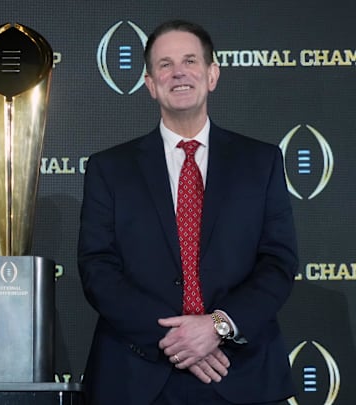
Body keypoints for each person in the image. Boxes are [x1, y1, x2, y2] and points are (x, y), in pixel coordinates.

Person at [78, 20, 298, 404]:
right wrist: (178, 338)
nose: (178, 72)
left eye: (190, 60)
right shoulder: (109, 168)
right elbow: (97, 268)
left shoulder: (260, 162)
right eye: (164, 64)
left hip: (240, 371)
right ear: (149, 84)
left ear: (212, 75)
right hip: (137, 374)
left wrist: (216, 326)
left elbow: (278, 262)